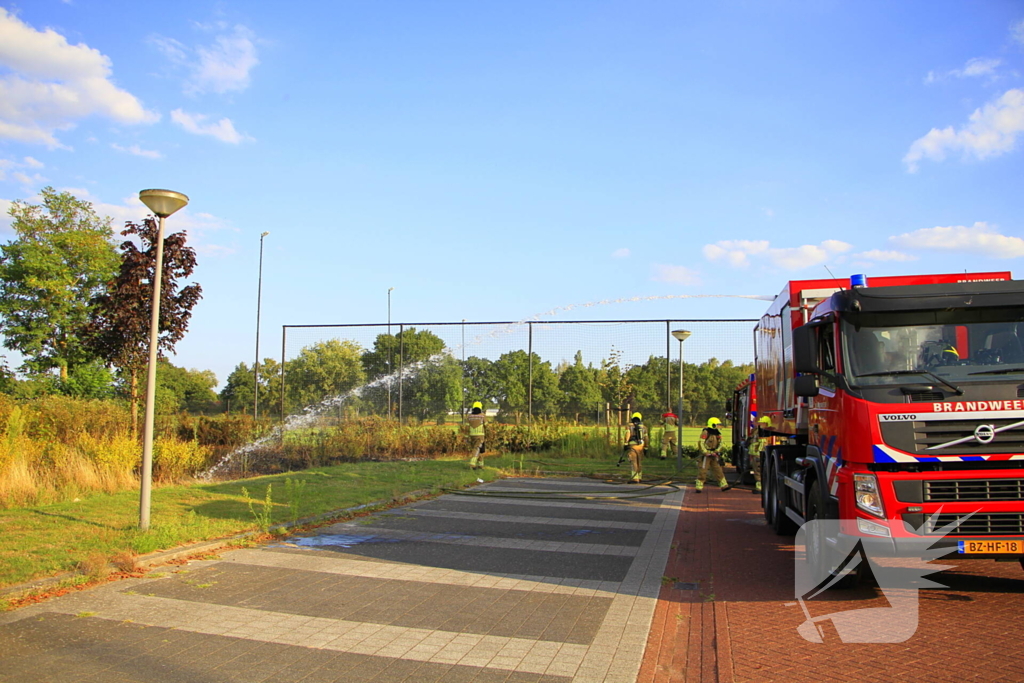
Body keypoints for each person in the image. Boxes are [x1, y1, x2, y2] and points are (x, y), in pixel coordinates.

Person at [696, 417, 731, 493]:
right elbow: (701, 443)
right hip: (706, 455)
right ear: (713, 425)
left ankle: (724, 485)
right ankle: (699, 486)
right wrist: (705, 452)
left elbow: (721, 443)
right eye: (717, 425)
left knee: (718, 469)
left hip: (714, 455)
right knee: (703, 470)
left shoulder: (717, 433)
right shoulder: (705, 432)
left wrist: (717, 451)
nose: (719, 426)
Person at [747, 415, 771, 494]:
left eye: (756, 422)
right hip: (755, 453)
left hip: (757, 454)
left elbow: (762, 443)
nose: (754, 423)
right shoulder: (756, 431)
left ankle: (759, 487)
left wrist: (759, 453)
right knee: (756, 470)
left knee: (758, 471)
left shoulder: (761, 431)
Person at [624, 412, 647, 483]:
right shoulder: (644, 427)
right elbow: (646, 438)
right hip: (641, 445)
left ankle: (635, 478)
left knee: (633, 461)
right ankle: (639, 477)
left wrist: (625, 443)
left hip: (633, 445)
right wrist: (646, 447)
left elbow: (628, 434)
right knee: (639, 461)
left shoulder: (629, 426)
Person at [467, 401, 487, 469]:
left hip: (472, 435)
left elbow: (467, 426)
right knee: (477, 448)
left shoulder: (469, 416)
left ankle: (481, 465)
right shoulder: (482, 415)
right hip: (480, 435)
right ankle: (472, 463)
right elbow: (486, 425)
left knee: (480, 450)